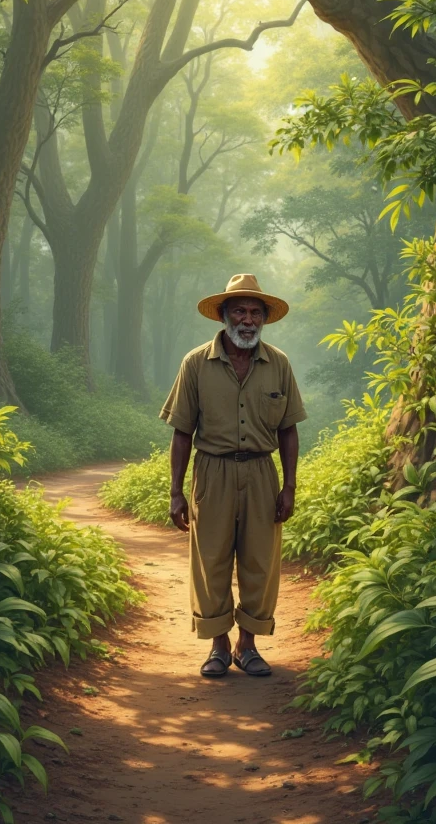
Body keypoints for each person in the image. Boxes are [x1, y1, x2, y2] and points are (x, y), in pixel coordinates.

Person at [159, 273, 306, 678]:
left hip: (261, 472)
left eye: (255, 312)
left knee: (260, 561)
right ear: (223, 315)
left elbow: (289, 429)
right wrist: (175, 491)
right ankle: (218, 645)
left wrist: (289, 485)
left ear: (264, 319)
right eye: (239, 310)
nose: (247, 319)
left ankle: (248, 645)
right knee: (211, 560)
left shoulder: (278, 364)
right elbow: (182, 432)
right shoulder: (195, 364)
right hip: (212, 471)